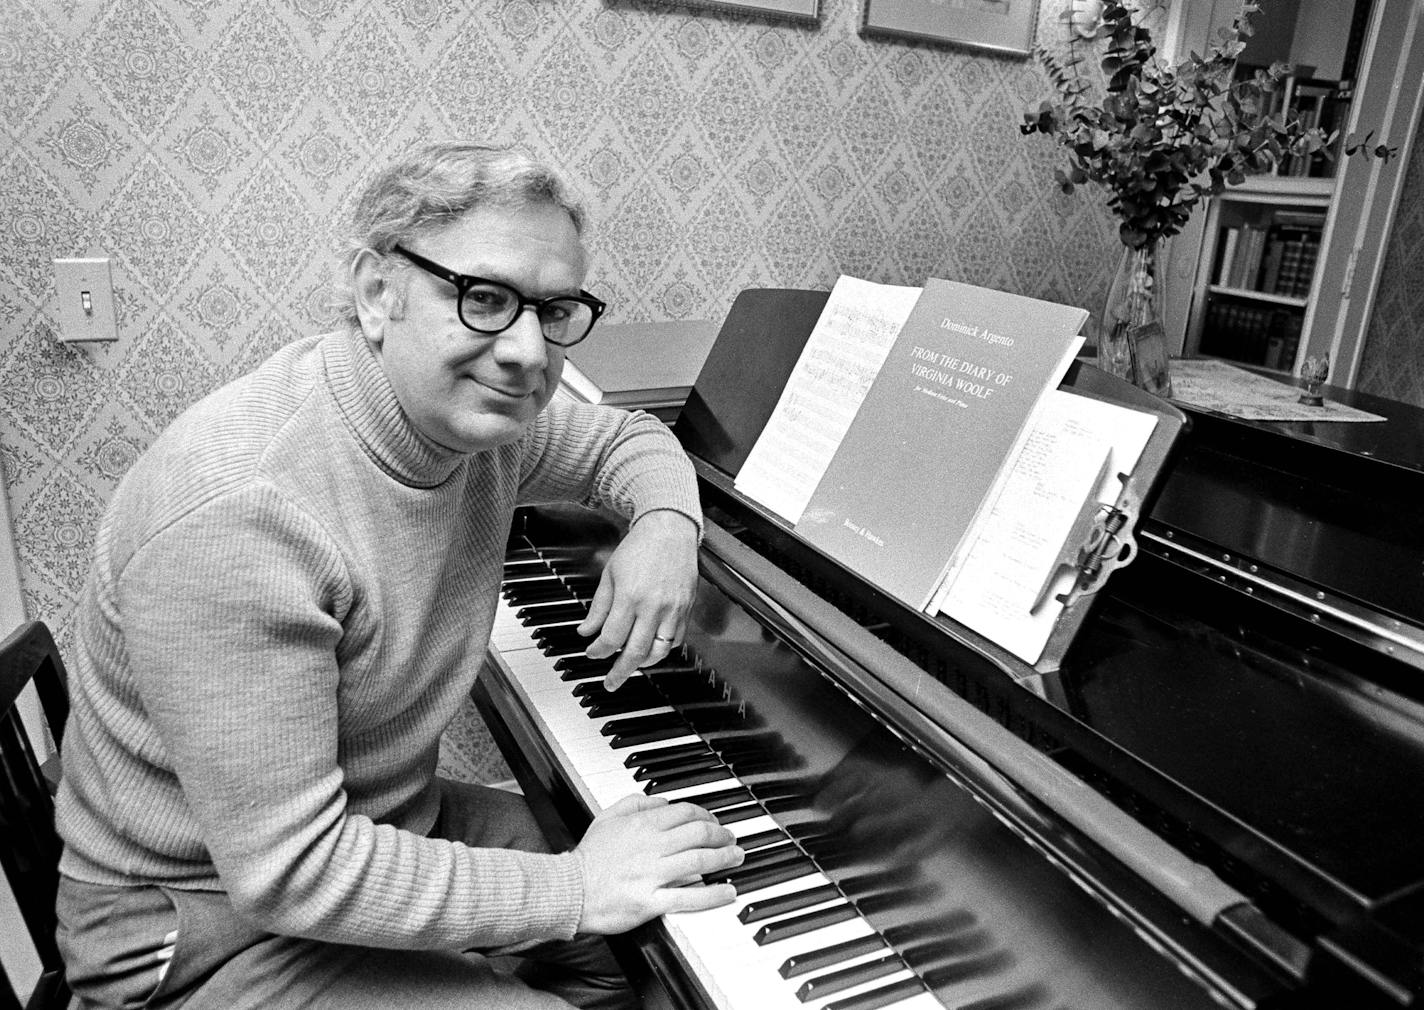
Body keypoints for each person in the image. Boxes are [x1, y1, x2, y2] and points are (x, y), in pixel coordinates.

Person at [53, 142, 743, 1010]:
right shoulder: (243, 513)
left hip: (375, 820)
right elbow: (290, 872)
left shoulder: (473, 422)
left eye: (555, 308)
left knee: (676, 921)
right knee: (612, 913)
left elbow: (626, 441)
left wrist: (666, 523)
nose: (528, 351)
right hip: (206, 927)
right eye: (485, 298)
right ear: (378, 292)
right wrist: (573, 891)